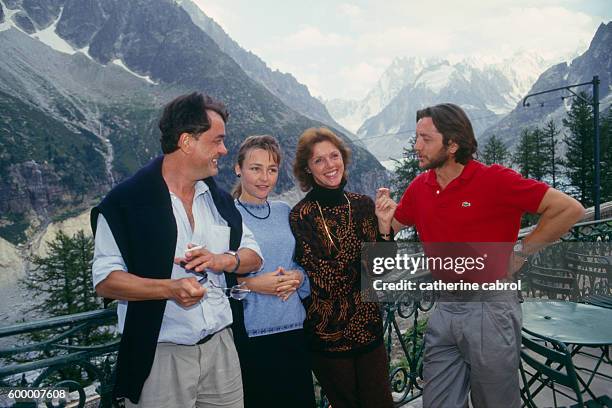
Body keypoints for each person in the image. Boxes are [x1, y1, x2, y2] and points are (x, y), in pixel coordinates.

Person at [375, 103, 585, 408]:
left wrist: (522, 252)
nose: (416, 146)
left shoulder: (495, 180)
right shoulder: (420, 187)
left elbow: (569, 209)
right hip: (445, 307)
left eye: (425, 138)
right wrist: (384, 222)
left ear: (452, 144)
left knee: (495, 402)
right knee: (438, 401)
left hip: (491, 308)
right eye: (416, 137)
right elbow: (391, 228)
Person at [90, 92, 264, 407]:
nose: (224, 150)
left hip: (221, 348)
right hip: (160, 357)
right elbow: (105, 280)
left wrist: (222, 260)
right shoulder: (124, 204)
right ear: (187, 142)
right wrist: (170, 288)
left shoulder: (217, 199)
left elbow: (252, 256)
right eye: (217, 141)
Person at [289, 127, 394, 408]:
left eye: (333, 156)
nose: (329, 165)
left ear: (343, 159)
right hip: (328, 340)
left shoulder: (362, 205)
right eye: (318, 160)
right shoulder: (302, 215)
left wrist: (384, 226)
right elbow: (327, 281)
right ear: (307, 169)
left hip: (369, 332)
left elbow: (383, 275)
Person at [231, 135, 316, 408]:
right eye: (255, 168)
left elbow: (301, 263)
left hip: (294, 329)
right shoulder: (227, 217)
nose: (264, 178)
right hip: (253, 336)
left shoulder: (283, 211)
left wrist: (299, 277)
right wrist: (255, 284)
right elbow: (216, 278)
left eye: (272, 169)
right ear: (238, 168)